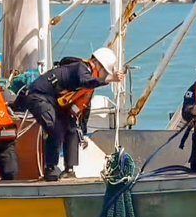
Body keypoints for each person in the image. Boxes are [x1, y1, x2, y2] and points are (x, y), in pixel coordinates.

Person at [25, 47, 124, 181]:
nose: (103, 76)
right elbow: (86, 82)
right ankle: (50, 168)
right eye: (104, 72)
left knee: (72, 128)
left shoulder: (87, 85)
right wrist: (110, 79)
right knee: (55, 127)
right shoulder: (81, 68)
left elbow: (84, 109)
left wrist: (82, 131)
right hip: (38, 96)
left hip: (55, 101)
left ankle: (69, 169)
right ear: (97, 64)